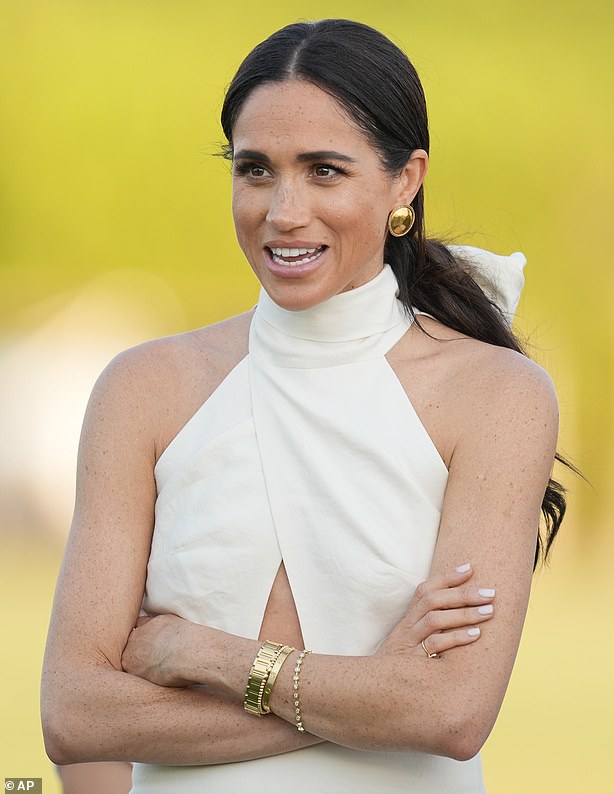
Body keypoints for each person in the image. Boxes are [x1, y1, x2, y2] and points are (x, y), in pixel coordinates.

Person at [41, 18, 567, 793]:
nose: (283, 212)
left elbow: (450, 714)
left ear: (406, 181)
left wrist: (209, 658)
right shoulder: (144, 390)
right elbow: (75, 717)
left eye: (324, 171)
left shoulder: (495, 397)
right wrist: (368, 694)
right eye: (256, 170)